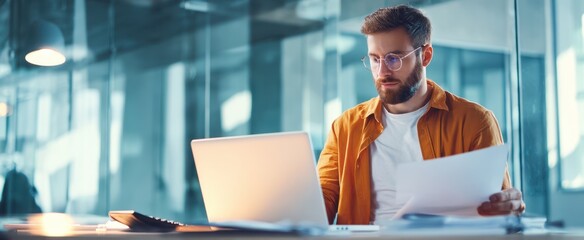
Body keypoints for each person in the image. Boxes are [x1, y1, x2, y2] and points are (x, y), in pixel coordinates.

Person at [316, 5, 525, 225]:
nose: (382, 72)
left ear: (425, 56)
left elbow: (500, 210)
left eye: (394, 58)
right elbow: (322, 198)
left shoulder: (474, 121)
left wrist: (509, 205)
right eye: (375, 59)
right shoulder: (345, 127)